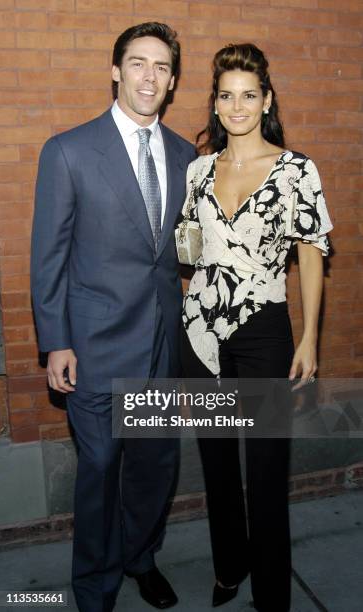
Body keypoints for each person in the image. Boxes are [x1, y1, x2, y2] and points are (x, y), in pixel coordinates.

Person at [31, 22, 195, 612]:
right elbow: (48, 257)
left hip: (159, 345)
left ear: (173, 80)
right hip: (93, 347)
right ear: (115, 70)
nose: (149, 76)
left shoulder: (185, 155)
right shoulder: (69, 151)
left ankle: (141, 557)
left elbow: (179, 251)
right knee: (100, 470)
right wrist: (56, 343)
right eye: (137, 63)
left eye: (161, 66)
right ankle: (94, 586)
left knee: (154, 466)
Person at [179, 43, 333, 612]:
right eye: (226, 96)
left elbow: (313, 253)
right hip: (200, 335)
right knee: (216, 464)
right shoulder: (198, 170)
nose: (237, 106)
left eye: (249, 95)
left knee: (265, 471)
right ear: (215, 105)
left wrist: (310, 337)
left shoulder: (296, 170)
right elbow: (190, 250)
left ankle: (272, 595)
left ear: (265, 100)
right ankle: (228, 568)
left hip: (265, 330)